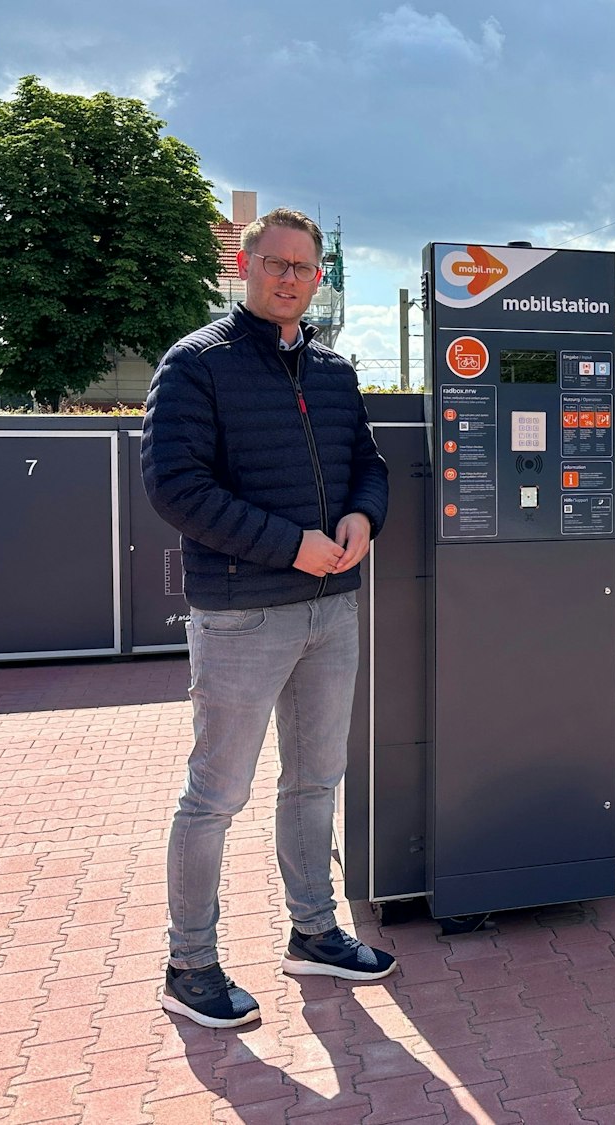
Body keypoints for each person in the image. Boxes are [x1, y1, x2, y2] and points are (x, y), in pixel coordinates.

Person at [143, 207, 394, 1027]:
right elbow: (177, 489)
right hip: (244, 618)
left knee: (316, 781)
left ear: (319, 278)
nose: (289, 278)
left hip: (332, 611)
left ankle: (314, 932)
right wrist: (292, 546)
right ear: (245, 267)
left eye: (304, 267)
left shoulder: (333, 370)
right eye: (275, 263)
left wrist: (363, 516)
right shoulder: (195, 365)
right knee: (215, 794)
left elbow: (368, 464)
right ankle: (190, 963)